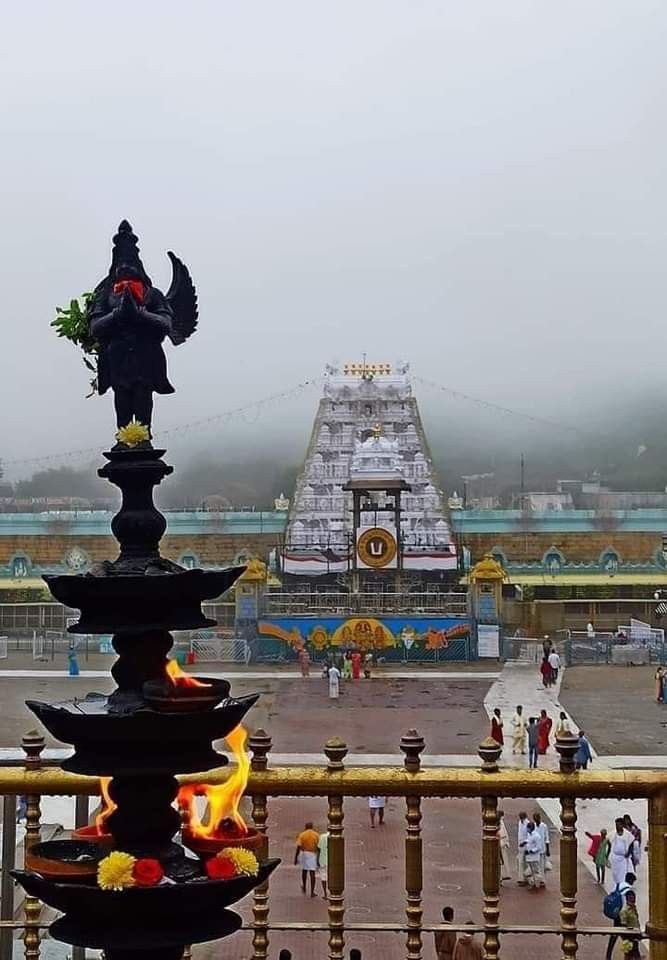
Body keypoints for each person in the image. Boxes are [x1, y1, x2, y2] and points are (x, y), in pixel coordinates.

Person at [605, 873, 637, 960]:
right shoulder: (629, 890)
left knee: (615, 935)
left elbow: (611, 894)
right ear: (631, 880)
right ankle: (633, 955)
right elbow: (630, 903)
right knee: (629, 936)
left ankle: (608, 954)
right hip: (623, 915)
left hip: (616, 914)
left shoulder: (618, 885)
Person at [294, 821, 319, 896]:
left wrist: (296, 858)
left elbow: (298, 846)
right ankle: (312, 891)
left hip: (304, 853)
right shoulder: (316, 835)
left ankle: (304, 886)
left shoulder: (302, 835)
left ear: (305, 827)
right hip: (312, 854)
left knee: (304, 871)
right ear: (312, 827)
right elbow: (319, 846)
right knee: (312, 872)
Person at [610, 819, 634, 885]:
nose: (617, 826)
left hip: (624, 859)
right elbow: (608, 842)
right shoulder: (613, 833)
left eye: (619, 824)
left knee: (623, 875)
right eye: (616, 825)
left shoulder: (627, 834)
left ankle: (622, 887)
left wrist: (628, 853)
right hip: (615, 858)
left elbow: (631, 844)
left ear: (622, 825)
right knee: (615, 875)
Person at [619, 889, 641, 959]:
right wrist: (627, 939)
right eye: (631, 898)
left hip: (635, 936)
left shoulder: (634, 908)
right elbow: (623, 926)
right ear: (627, 899)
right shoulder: (624, 911)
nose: (633, 900)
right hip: (629, 937)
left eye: (634, 898)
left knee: (634, 954)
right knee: (630, 955)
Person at [524, 820, 545, 889]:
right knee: (532, 872)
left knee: (536, 871)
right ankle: (534, 884)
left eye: (528, 828)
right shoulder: (529, 835)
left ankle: (539, 883)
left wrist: (531, 851)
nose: (527, 829)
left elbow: (539, 847)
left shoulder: (536, 836)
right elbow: (529, 842)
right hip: (529, 857)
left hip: (534, 857)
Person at [498, 810, 511, 881]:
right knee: (502, 860)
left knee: (502, 860)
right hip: (501, 843)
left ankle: (502, 875)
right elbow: (504, 834)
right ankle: (503, 875)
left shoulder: (500, 822)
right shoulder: (500, 823)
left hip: (501, 843)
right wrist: (506, 842)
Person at [517, 811, 529, 884]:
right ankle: (521, 878)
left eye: (522, 817)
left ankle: (526, 878)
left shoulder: (527, 823)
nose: (521, 819)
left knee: (525, 863)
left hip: (526, 846)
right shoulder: (519, 822)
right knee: (520, 862)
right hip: (520, 846)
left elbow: (529, 835)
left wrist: (524, 842)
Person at [317, 829, 329, 898]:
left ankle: (325, 893)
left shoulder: (322, 837)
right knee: (331, 877)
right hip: (332, 861)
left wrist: (317, 860)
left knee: (323, 877)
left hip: (322, 860)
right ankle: (331, 892)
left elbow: (318, 849)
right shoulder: (337, 837)